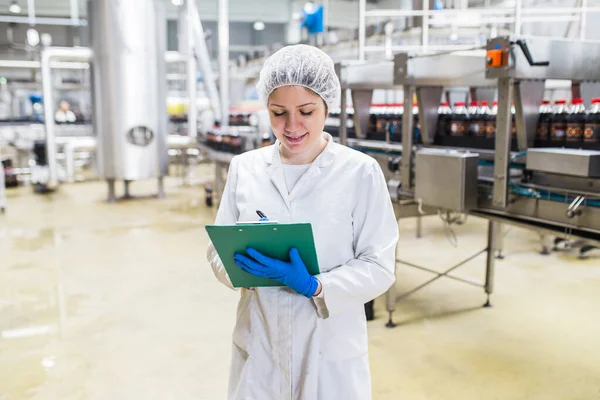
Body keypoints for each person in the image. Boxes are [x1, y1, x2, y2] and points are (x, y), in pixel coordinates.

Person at [207, 44, 399, 400]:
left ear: (328, 106)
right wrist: (241, 267)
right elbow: (216, 253)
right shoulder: (244, 169)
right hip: (260, 345)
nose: (291, 126)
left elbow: (379, 265)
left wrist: (316, 286)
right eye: (278, 112)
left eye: (306, 111)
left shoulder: (360, 173)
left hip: (330, 349)